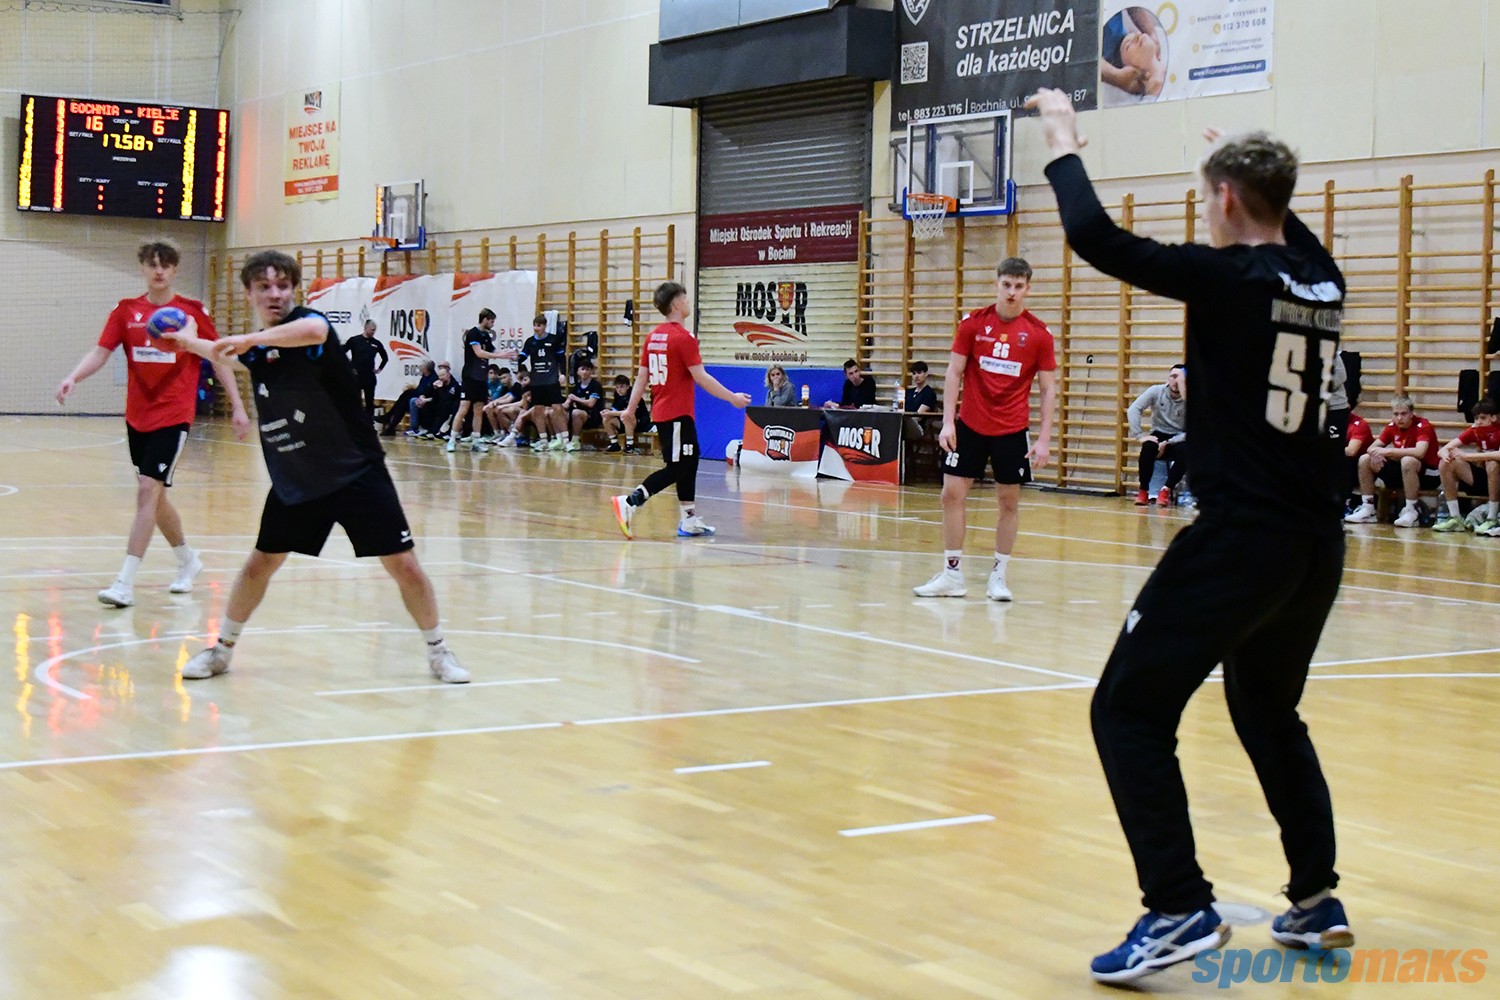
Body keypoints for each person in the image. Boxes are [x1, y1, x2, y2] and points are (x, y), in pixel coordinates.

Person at [1029, 89, 1353, 982]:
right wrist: (1243, 165)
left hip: (1242, 538)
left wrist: (1061, 140)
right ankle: (1316, 899)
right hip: (1314, 545)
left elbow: (1096, 237)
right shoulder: (1321, 277)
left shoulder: (1230, 279)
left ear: (1226, 199)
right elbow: (1284, 224)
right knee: (1268, 711)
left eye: (1209, 195)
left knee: (1126, 710)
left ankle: (1177, 906)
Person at [165, 249, 468, 684]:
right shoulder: (260, 349)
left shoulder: (309, 328)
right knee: (260, 564)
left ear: (295, 289)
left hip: (355, 471)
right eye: (264, 287)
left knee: (403, 565)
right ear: (249, 293)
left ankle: (439, 652)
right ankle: (221, 651)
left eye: (282, 285)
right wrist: (186, 341)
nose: (275, 294)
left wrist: (249, 340)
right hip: (298, 479)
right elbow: (224, 353)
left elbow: (314, 330)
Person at [54, 240, 250, 608]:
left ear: (175, 269)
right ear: (143, 268)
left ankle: (124, 583)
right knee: (156, 499)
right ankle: (187, 560)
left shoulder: (191, 313)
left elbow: (218, 357)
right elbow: (100, 352)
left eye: (166, 265)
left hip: (173, 415)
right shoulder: (126, 311)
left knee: (147, 490)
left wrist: (238, 406)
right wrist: (73, 377)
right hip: (137, 415)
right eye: (152, 264)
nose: (159, 271)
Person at [911, 257, 1056, 602]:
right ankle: (951, 574)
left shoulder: (1038, 334)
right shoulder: (973, 324)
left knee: (1008, 502)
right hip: (970, 425)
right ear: (997, 284)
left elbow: (1048, 388)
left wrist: (1044, 439)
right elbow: (954, 372)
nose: (1011, 292)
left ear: (1028, 289)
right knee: (950, 494)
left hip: (1011, 429)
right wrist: (948, 421)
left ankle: (998, 577)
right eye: (1006, 284)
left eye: (1018, 286)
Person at [610, 282, 750, 538]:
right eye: (685, 299)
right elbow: (702, 377)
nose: (688, 303)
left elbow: (641, 377)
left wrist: (630, 409)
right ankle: (629, 502)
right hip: (675, 414)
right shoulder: (683, 338)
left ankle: (689, 520)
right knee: (677, 468)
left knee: (690, 461)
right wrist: (732, 398)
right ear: (676, 304)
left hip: (668, 413)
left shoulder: (653, 337)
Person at [1344, 395, 1440, 527]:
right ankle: (1368, 508)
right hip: (1403, 471)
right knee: (1365, 459)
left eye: (1403, 414)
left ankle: (1412, 510)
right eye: (1396, 414)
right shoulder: (1392, 427)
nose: (1399, 418)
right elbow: (1371, 448)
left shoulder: (1423, 425)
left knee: (1408, 460)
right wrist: (1375, 454)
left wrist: (1387, 452)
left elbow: (1420, 452)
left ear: (1411, 414)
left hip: (1429, 474)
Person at [1431, 397, 1500, 533]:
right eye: (1476, 418)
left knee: (1492, 464)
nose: (1478, 422)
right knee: (1446, 463)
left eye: (1483, 418)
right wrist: (1446, 455)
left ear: (1493, 418)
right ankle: (1455, 518)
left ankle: (1492, 518)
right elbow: (1443, 450)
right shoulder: (1475, 430)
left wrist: (1468, 456)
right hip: (1486, 479)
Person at [1128, 364, 1188, 506]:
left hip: (1178, 437)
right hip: (1158, 434)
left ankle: (1166, 490)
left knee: (1187, 451)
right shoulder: (1156, 391)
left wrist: (1168, 442)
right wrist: (1139, 436)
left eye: (1180, 378)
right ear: (1168, 378)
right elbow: (1134, 409)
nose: (1175, 381)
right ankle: (1143, 490)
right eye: (1173, 376)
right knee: (1148, 447)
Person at [447, 308, 506, 453]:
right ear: (485, 319)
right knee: (464, 408)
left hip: (481, 378)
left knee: (478, 410)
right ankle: (452, 439)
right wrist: (500, 356)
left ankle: (476, 441)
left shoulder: (486, 335)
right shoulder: (473, 333)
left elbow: (492, 351)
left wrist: (506, 354)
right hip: (470, 377)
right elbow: (479, 353)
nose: (493, 324)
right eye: (491, 321)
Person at [510, 315, 568, 451]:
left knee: (558, 409)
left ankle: (566, 441)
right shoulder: (530, 342)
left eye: (539, 326)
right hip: (537, 382)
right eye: (535, 325)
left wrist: (563, 374)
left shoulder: (554, 339)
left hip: (551, 380)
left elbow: (561, 358)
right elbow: (523, 356)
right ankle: (543, 441)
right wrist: (516, 358)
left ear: (545, 326)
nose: (536, 328)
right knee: (538, 410)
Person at [343, 319, 388, 420]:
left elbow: (385, 358)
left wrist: (379, 369)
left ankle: (369, 422)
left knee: (369, 401)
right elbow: (342, 352)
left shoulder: (376, 343)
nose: (373, 332)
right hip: (357, 375)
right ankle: (354, 421)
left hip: (369, 376)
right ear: (366, 328)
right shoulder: (354, 340)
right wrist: (349, 366)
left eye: (374, 330)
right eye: (372, 330)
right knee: (356, 399)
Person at [380, 359, 436, 436]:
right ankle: (390, 426)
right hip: (420, 397)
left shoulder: (433, 379)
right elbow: (420, 390)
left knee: (407, 396)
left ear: (426, 369)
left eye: (421, 367)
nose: (420, 368)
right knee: (403, 403)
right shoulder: (424, 377)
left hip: (426, 401)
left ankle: (389, 420)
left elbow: (431, 394)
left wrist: (423, 398)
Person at [601, 373, 650, 453]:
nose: (619, 390)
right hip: (624, 422)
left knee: (626, 416)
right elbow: (615, 410)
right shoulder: (617, 395)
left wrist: (611, 413)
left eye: (621, 387)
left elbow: (629, 412)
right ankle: (614, 444)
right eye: (617, 387)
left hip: (640, 422)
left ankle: (630, 445)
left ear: (627, 386)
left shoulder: (634, 395)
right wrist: (608, 412)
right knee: (606, 418)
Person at [564, 359, 605, 450]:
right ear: (578, 371)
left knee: (576, 413)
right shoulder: (577, 387)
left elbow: (591, 403)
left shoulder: (595, 385)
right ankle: (561, 439)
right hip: (578, 417)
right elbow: (566, 405)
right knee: (561, 413)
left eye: (588, 369)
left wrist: (575, 398)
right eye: (582, 369)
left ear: (591, 371)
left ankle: (575, 441)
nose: (585, 372)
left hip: (593, 417)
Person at [1341, 409, 1375, 508]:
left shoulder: (1359, 424)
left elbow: (1352, 451)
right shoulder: (1330, 422)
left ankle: (1346, 504)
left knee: (1344, 461)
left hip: (1359, 469)